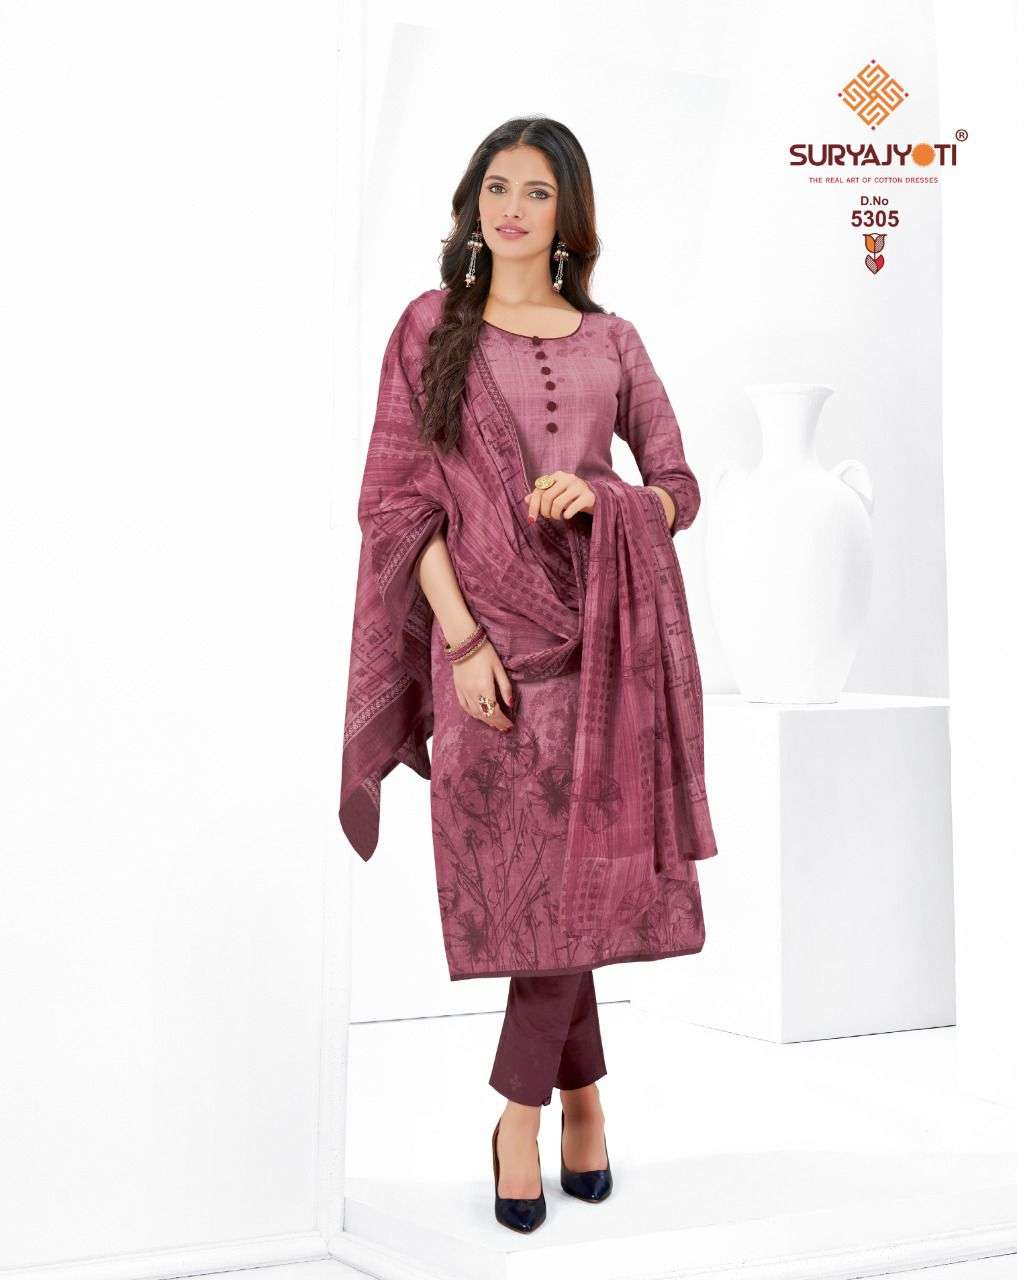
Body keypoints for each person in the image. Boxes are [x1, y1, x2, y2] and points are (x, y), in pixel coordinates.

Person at [339, 115, 718, 1233]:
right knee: (539, 887)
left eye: (536, 192)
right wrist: (461, 643)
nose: (511, 208)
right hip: (489, 653)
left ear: (569, 216)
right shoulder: (430, 329)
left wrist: (608, 497)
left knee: (579, 883)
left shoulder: (614, 341)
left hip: (605, 649)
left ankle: (525, 1114)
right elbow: (397, 504)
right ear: (472, 205)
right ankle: (579, 1098)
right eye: (496, 187)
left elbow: (679, 487)